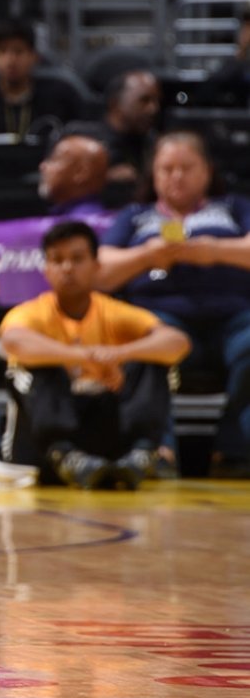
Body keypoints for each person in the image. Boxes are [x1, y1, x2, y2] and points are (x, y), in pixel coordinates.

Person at [98, 131, 250, 476]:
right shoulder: (135, 216)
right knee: (146, 342)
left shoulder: (233, 208)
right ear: (153, 175)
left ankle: (234, 450)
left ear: (207, 171)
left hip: (235, 317)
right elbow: (101, 272)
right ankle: (158, 450)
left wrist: (215, 251)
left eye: (187, 167)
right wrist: (145, 256)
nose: (176, 176)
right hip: (163, 315)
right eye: (167, 169)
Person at [0, 220, 189, 487]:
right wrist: (83, 356)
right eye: (57, 260)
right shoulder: (31, 313)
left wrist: (119, 354)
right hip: (44, 443)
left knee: (155, 359)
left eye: (77, 259)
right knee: (32, 365)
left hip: (106, 428)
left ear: (97, 266)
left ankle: (141, 454)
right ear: (46, 269)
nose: (67, 268)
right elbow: (13, 341)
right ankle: (65, 456)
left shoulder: (113, 311)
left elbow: (177, 342)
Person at [0, 17, 84, 142]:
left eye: (19, 51)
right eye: (2, 51)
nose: (10, 60)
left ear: (34, 56)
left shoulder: (60, 97)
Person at [38, 134, 110, 215]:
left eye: (54, 159)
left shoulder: (82, 220)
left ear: (80, 172)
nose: (42, 166)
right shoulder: (65, 214)